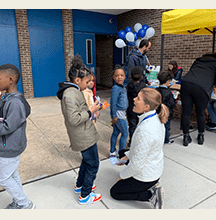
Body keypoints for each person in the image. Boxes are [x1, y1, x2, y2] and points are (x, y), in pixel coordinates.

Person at [0, 64, 34, 209]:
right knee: (12, 175)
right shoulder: (10, 97)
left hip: (10, 145)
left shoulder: (14, 102)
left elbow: (7, 127)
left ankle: (24, 204)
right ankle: (19, 201)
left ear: (10, 79)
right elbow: (5, 120)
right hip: (11, 144)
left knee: (4, 179)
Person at [110, 88, 166, 209]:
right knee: (122, 152)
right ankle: (146, 185)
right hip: (153, 164)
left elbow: (136, 165)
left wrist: (122, 176)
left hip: (147, 176)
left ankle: (151, 195)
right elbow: (140, 149)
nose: (134, 99)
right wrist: (127, 156)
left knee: (115, 192)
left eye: (138, 98)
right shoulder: (153, 117)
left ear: (146, 106)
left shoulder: (146, 130)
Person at [57, 55, 102, 205]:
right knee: (93, 164)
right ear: (77, 80)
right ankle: (85, 195)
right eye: (86, 81)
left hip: (85, 133)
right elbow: (74, 119)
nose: (88, 84)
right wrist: (91, 110)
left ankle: (80, 185)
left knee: (87, 161)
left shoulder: (73, 91)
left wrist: (91, 111)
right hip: (83, 135)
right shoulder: (70, 94)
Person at [180, 52, 216, 146]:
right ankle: (200, 136)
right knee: (200, 112)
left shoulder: (199, 61)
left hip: (186, 83)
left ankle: (186, 137)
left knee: (185, 112)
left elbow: (193, 72)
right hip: (201, 88)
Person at [126, 66, 148, 147]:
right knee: (141, 126)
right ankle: (140, 141)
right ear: (142, 77)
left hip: (131, 109)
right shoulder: (144, 87)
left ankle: (132, 141)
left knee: (132, 126)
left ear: (131, 77)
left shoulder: (128, 86)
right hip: (141, 110)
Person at [110, 66, 128, 157]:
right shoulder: (116, 88)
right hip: (119, 114)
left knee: (116, 133)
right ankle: (122, 153)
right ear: (113, 77)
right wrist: (114, 116)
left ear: (125, 76)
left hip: (120, 113)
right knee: (125, 133)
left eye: (122, 75)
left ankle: (112, 151)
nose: (119, 77)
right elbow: (113, 103)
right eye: (117, 76)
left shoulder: (122, 87)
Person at [156, 71, 176, 144]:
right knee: (167, 127)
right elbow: (171, 104)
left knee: (158, 126)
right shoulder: (168, 92)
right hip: (166, 113)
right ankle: (166, 139)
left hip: (158, 111)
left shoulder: (156, 90)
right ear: (167, 81)